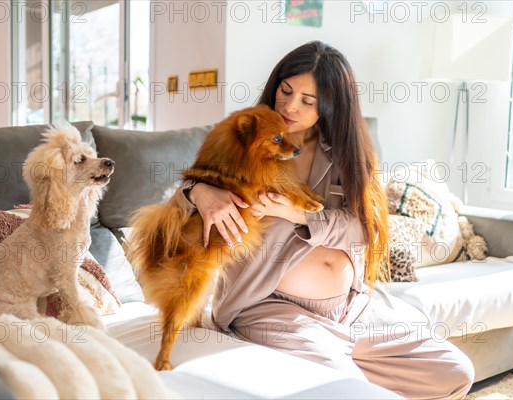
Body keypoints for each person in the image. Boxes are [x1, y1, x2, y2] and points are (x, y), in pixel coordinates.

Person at [174, 41, 474, 399]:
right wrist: (198, 193)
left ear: (330, 106)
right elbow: (177, 203)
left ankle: (348, 366)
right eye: (286, 91)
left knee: (455, 372)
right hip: (270, 308)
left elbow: (365, 228)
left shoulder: (347, 154)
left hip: (352, 308)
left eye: (308, 101)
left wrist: (295, 213)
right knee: (349, 391)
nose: (289, 106)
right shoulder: (245, 140)